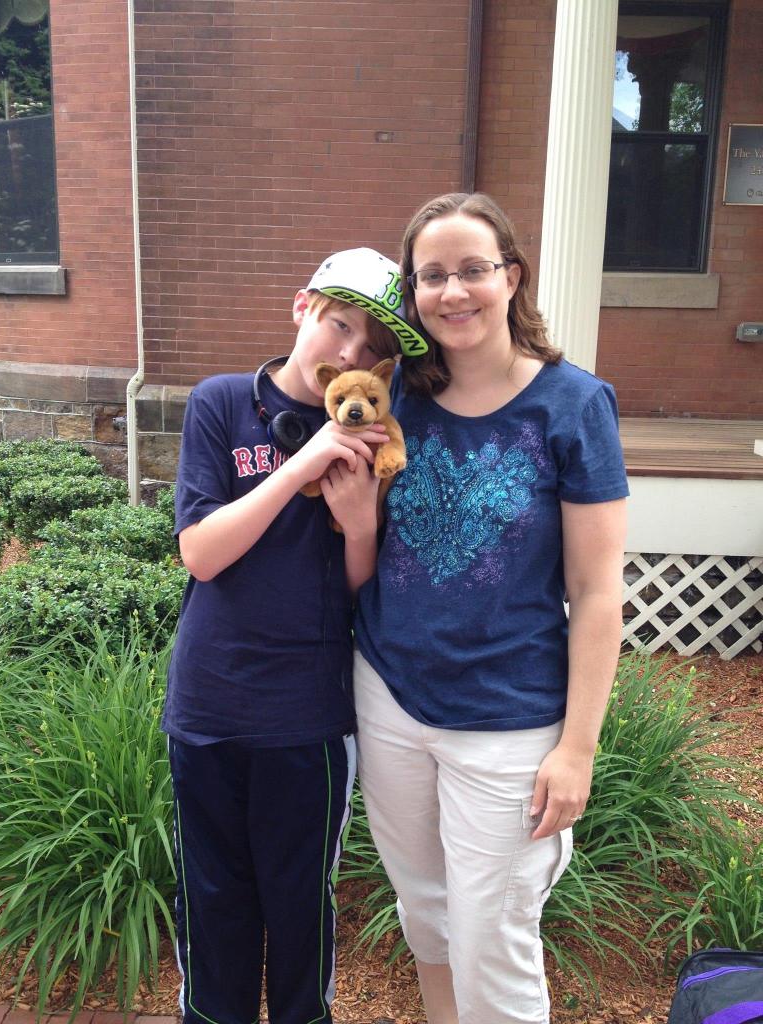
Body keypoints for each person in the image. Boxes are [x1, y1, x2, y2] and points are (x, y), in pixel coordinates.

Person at [353, 193, 629, 1024]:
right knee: (426, 912)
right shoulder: (393, 395)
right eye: (431, 275)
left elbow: (597, 590)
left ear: (511, 276)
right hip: (390, 696)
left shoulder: (573, 406)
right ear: (413, 292)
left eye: (472, 269)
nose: (452, 291)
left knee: (493, 937)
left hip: (509, 718)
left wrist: (577, 749)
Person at [161, 247, 428, 1024]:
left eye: (372, 349)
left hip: (306, 718)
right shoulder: (220, 403)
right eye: (339, 325)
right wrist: (298, 465)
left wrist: (360, 524)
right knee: (212, 900)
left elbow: (356, 592)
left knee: (300, 906)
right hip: (208, 706)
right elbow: (201, 553)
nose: (350, 352)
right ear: (302, 306)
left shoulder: (375, 433)